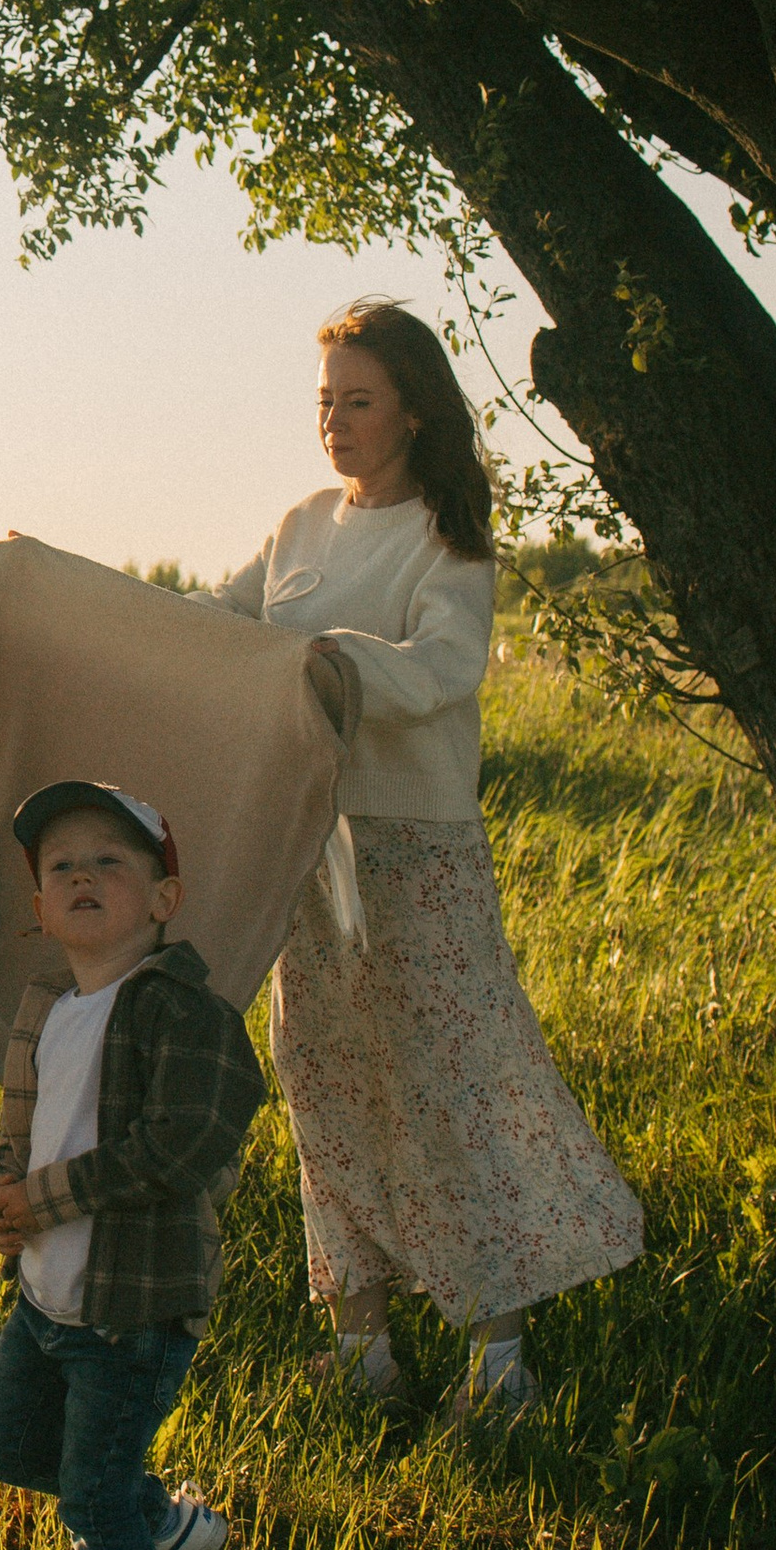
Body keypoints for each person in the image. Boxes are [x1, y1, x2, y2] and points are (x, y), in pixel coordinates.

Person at [221, 297, 641, 1428]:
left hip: (418, 856)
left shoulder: (449, 537)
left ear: (411, 412)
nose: (334, 422)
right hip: (305, 853)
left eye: (357, 401)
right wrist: (73, 596)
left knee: (452, 1089)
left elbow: (441, 670)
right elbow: (209, 630)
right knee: (323, 1083)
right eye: (324, 401)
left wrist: (329, 659)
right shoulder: (301, 524)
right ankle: (361, 1351)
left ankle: (501, 1364)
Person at [0, 782, 267, 1550]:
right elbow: (22, 1136)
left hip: (133, 1309)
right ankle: (161, 1526)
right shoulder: (48, 1006)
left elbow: (180, 1146)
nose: (84, 875)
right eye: (62, 867)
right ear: (41, 909)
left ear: (163, 900)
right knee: (3, 1444)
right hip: (49, 1298)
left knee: (92, 1492)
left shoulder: (186, 1013)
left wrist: (45, 1198)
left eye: (113, 861)